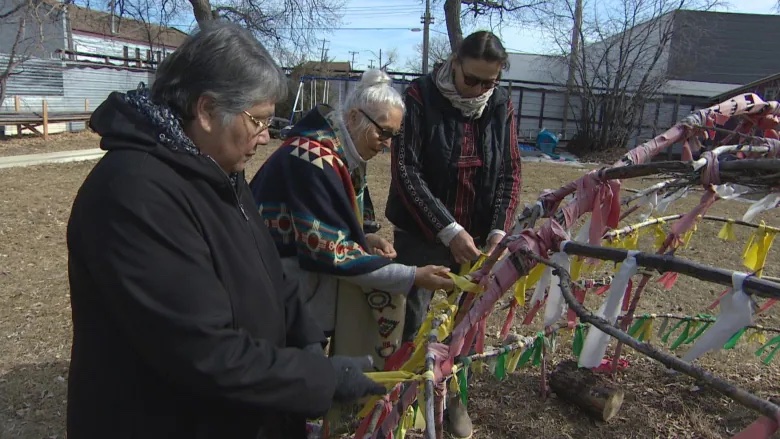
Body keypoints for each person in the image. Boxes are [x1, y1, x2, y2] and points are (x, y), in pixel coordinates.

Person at [65, 22, 385, 439]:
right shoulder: (132, 194)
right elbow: (201, 350)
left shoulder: (216, 167)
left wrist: (304, 338)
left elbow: (267, 266)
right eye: (258, 121)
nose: (266, 137)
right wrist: (319, 380)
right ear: (206, 110)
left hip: (238, 411)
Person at [249, 69, 454, 370]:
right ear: (356, 117)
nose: (386, 144)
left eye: (393, 137)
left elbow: (334, 222)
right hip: (280, 302)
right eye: (383, 132)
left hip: (300, 296)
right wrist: (412, 276)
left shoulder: (345, 153)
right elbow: (330, 252)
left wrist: (363, 236)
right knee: (291, 378)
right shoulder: (313, 160)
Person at [385, 30, 522, 438]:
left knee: (464, 325)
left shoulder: (499, 105)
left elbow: (510, 171)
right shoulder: (420, 97)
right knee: (418, 322)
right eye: (472, 80)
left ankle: (453, 397)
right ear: (455, 63)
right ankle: (409, 405)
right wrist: (448, 229)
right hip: (423, 234)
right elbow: (407, 171)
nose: (480, 89)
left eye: (489, 82)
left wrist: (498, 229)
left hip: (477, 239)